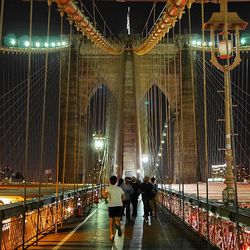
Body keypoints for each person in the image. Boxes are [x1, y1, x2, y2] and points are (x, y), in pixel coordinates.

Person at [104, 175, 124, 240]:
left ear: (110, 181)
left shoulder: (108, 188)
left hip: (112, 206)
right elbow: (124, 198)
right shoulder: (119, 188)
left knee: (111, 221)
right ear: (116, 181)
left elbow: (105, 196)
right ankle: (118, 226)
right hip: (119, 206)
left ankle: (112, 235)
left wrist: (104, 196)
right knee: (117, 220)